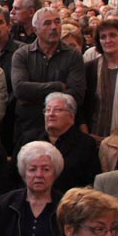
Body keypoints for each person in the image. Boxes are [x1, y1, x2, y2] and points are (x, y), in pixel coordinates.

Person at [11, 8, 85, 149]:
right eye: (47, 23)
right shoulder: (22, 55)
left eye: (57, 22)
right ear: (35, 29)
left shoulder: (73, 56)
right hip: (28, 128)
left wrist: (32, 97)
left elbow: (77, 95)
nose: (54, 27)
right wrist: (58, 86)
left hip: (63, 132)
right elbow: (20, 89)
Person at [0, 141, 64, 236]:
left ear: (55, 173)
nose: (39, 175)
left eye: (46, 169)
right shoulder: (6, 203)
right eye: (32, 169)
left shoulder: (65, 206)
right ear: (24, 173)